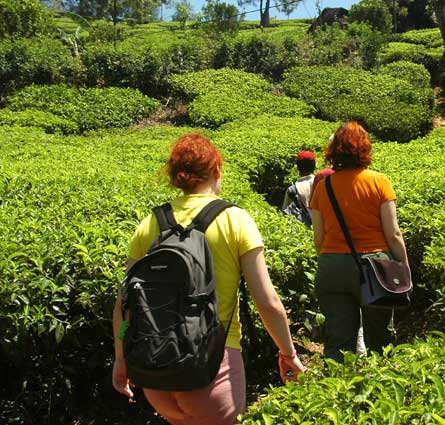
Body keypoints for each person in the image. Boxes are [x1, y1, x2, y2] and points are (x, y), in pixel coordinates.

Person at [112, 133, 305, 425]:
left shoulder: (151, 223)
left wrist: (121, 358)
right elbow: (267, 302)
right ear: (217, 171)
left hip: (156, 372)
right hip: (212, 368)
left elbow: (124, 304)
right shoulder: (235, 219)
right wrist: (288, 352)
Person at [308, 121, 409, 362]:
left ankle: (335, 395)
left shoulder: (324, 188)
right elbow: (393, 233)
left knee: (339, 341)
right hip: (376, 267)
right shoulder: (379, 182)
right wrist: (403, 266)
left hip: (333, 267)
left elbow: (318, 239)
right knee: (380, 340)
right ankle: (380, 390)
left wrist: (336, 258)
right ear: (365, 148)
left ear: (334, 151)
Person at [281, 151, 316, 226]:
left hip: (302, 230)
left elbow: (285, 213)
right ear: (314, 166)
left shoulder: (292, 190)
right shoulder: (321, 184)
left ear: (297, 167)